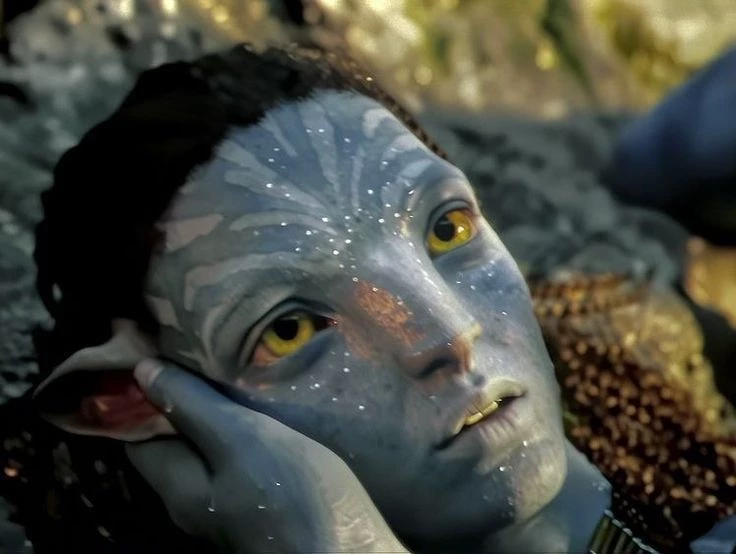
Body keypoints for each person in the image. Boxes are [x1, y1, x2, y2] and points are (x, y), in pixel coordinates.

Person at [27, 43, 734, 553]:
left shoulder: (652, 352)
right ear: (140, 403)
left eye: (448, 228)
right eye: (292, 329)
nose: (448, 334)